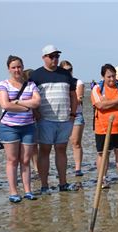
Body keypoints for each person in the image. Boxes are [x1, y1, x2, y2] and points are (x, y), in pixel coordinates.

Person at [29, 45, 79, 194]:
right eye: (51, 56)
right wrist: (36, 113)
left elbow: (73, 96)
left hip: (64, 120)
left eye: (57, 56)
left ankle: (63, 183)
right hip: (46, 120)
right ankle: (44, 185)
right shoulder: (36, 76)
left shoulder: (65, 74)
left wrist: (72, 114)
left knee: (61, 150)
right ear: (44, 58)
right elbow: (29, 96)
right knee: (44, 151)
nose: (55, 59)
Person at [0, 55, 41, 202]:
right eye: (14, 67)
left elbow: (37, 102)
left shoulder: (30, 84)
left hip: (28, 127)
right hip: (9, 127)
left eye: (19, 67)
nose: (17, 70)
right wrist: (24, 107)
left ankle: (28, 190)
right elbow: (5, 104)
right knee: (12, 160)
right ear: (9, 69)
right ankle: (14, 192)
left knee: (26, 160)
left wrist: (17, 101)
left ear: (23, 67)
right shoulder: (3, 84)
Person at [91, 63, 118, 188]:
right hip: (102, 128)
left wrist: (108, 103)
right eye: (109, 77)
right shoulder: (97, 88)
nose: (112, 79)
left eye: (114, 76)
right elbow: (100, 105)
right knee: (103, 154)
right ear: (103, 76)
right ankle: (102, 179)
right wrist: (117, 100)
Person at [59, 60, 85, 176]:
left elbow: (78, 99)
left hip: (76, 115)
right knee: (60, 144)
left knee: (75, 142)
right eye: (65, 70)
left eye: (70, 70)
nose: (68, 72)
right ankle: (62, 169)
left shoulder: (77, 82)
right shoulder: (59, 83)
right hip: (61, 115)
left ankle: (78, 168)